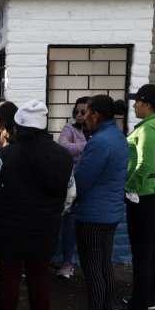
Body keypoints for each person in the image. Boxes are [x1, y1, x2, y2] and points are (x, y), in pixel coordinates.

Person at [0, 100, 75, 310]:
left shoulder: (4, 156)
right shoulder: (63, 156)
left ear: (17, 126)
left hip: (8, 230)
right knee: (40, 278)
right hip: (45, 229)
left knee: (9, 279)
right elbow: (71, 194)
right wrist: (52, 213)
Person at [66, 96, 129, 310]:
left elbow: (82, 179)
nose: (83, 118)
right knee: (103, 265)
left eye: (86, 113)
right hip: (109, 212)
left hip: (94, 214)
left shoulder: (100, 142)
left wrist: (67, 195)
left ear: (96, 116)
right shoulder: (117, 136)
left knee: (93, 268)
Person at [113, 84, 155, 310]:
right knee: (151, 252)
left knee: (141, 254)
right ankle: (148, 300)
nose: (135, 107)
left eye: (137, 102)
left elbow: (144, 166)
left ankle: (138, 308)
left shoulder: (148, 129)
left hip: (145, 199)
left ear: (147, 104)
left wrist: (129, 188)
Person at [55, 96, 92, 278]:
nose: (78, 114)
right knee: (69, 223)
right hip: (72, 182)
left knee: (90, 226)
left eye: (83, 112)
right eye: (76, 111)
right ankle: (67, 263)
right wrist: (90, 146)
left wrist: (79, 149)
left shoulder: (99, 131)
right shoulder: (69, 128)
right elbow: (64, 148)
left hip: (93, 184)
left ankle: (90, 265)